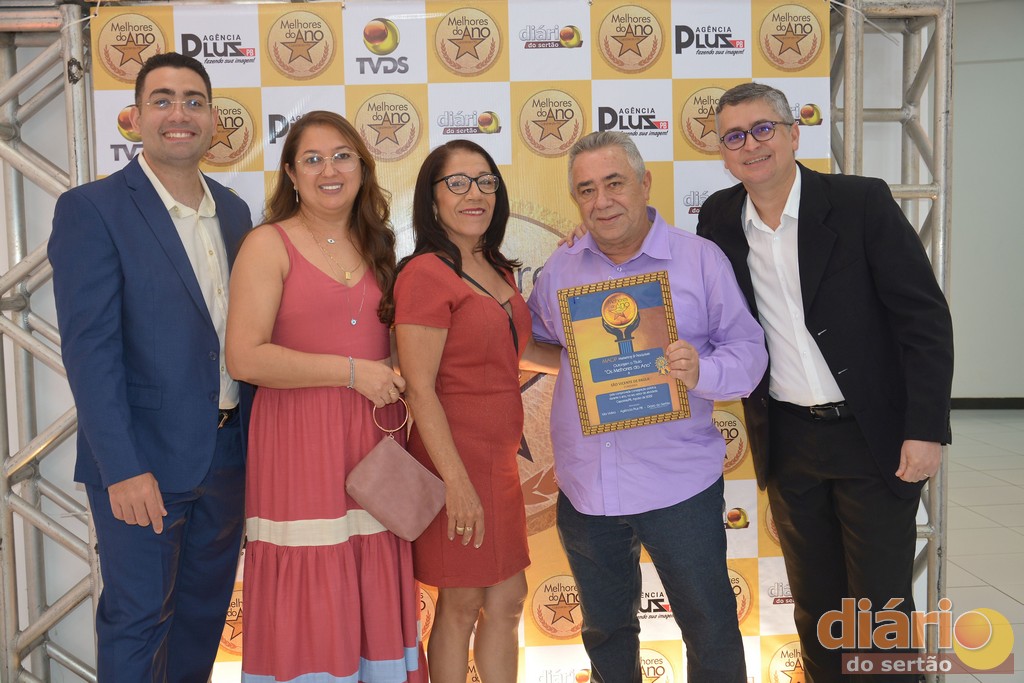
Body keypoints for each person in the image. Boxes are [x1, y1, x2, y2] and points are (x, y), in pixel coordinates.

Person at [697, 82, 954, 682]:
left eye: (763, 129)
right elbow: (680, 272)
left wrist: (925, 428)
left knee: (880, 611)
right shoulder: (718, 218)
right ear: (724, 154)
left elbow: (924, 320)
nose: (751, 145)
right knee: (816, 607)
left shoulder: (860, 202)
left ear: (793, 134)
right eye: (734, 137)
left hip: (873, 436)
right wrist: (597, 243)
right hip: (788, 440)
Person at [527, 130, 767, 682]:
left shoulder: (699, 260)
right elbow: (534, 339)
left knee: (710, 628)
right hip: (588, 488)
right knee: (605, 633)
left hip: (678, 485)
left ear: (644, 183)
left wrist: (700, 372)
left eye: (614, 183)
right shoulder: (562, 267)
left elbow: (749, 354)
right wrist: (581, 364)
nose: (602, 201)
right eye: (587, 190)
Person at [49, 52, 251, 681]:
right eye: (162, 100)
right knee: (138, 622)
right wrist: (123, 468)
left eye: (194, 101)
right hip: (142, 463)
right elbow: (90, 352)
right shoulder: (93, 208)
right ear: (135, 117)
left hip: (227, 457)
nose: (179, 113)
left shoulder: (235, 212)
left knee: (201, 621)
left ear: (213, 118)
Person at [224, 110, 425, 681]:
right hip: (299, 443)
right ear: (291, 174)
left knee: (371, 567)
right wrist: (353, 373)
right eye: (312, 159)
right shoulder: (267, 244)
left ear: (362, 167)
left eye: (341, 157)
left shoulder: (380, 244)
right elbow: (244, 358)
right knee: (313, 574)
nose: (328, 170)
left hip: (374, 442)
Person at [387, 140, 559, 682]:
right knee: (461, 603)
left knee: (507, 599)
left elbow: (517, 349)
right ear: (432, 199)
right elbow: (419, 389)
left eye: (485, 181)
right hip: (453, 461)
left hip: (498, 465)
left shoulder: (494, 266)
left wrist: (598, 364)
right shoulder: (425, 274)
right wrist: (456, 484)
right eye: (457, 183)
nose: (474, 193)